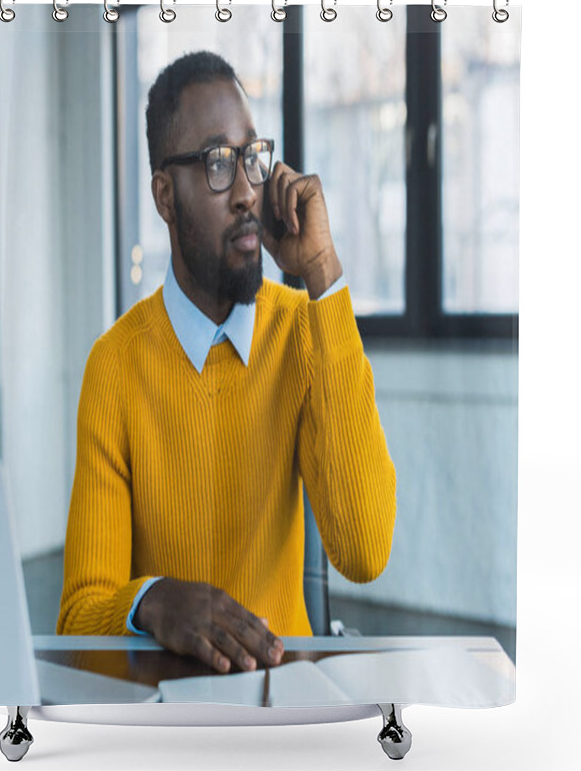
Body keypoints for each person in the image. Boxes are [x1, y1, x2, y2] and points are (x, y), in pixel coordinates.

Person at [57, 51, 396, 676]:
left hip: (284, 701)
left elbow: (365, 548)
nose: (246, 191)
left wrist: (321, 272)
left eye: (251, 157)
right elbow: (78, 624)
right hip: (167, 715)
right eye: (217, 163)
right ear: (165, 194)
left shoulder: (301, 330)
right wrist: (152, 601)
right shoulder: (114, 367)